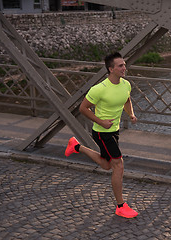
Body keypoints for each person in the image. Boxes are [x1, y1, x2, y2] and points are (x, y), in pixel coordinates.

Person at [64, 52, 138, 218]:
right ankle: (120, 206)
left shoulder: (126, 85)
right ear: (111, 69)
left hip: (115, 131)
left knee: (106, 165)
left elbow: (126, 100)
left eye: (124, 65)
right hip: (102, 132)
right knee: (118, 165)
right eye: (120, 66)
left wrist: (131, 114)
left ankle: (76, 146)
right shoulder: (99, 89)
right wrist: (101, 122)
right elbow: (83, 108)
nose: (124, 68)